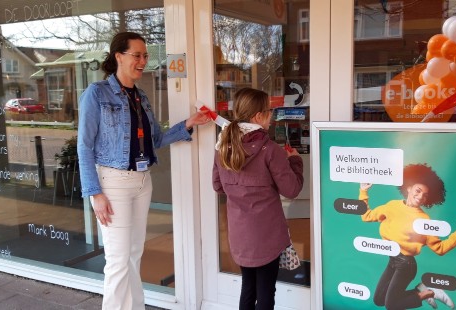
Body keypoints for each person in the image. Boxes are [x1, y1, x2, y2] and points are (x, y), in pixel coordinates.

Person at [77, 31, 210, 310]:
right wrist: (94, 192)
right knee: (117, 259)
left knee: (134, 254)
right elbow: (84, 147)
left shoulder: (141, 97)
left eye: (145, 56)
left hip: (141, 181)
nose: (142, 61)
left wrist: (189, 123)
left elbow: (156, 140)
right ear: (118, 56)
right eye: (137, 55)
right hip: (113, 183)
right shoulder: (97, 94)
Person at [212, 87, 304, 310]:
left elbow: (217, 185)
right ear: (258, 117)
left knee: (248, 287)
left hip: (240, 235)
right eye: (269, 111)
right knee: (265, 292)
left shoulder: (223, 146)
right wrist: (295, 161)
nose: (272, 115)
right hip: (267, 236)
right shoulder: (270, 150)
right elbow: (292, 189)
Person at [360, 163, 456, 309]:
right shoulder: (392, 206)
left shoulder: (424, 220)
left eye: (425, 196)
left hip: (406, 265)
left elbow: (440, 248)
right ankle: (422, 290)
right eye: (418, 191)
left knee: (391, 305)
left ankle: (429, 292)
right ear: (408, 187)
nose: (420, 197)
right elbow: (366, 216)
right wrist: (363, 191)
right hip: (392, 260)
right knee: (379, 300)